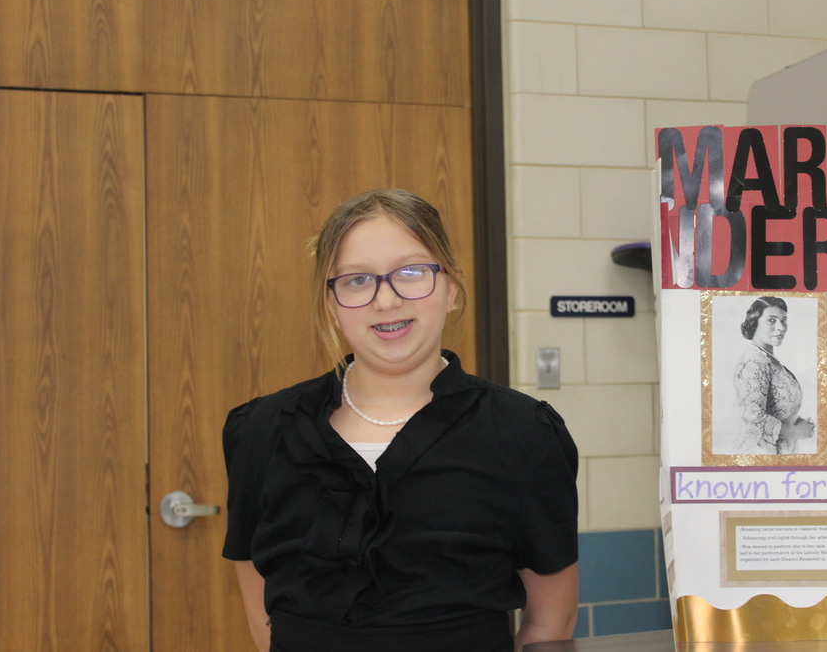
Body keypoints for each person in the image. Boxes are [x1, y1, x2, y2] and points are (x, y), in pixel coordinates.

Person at [222, 189, 579, 652]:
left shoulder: (523, 432)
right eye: (357, 280)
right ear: (330, 304)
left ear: (451, 289)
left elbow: (550, 622)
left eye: (411, 272)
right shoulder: (262, 429)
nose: (386, 300)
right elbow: (259, 599)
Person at [731, 296, 815, 454]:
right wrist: (796, 432)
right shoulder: (753, 361)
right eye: (772, 320)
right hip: (760, 452)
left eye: (784, 320)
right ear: (755, 323)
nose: (781, 327)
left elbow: (778, 407)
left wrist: (798, 422)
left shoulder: (768, 359)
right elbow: (752, 418)